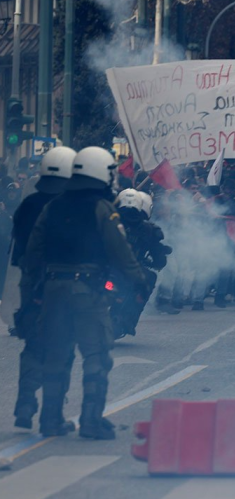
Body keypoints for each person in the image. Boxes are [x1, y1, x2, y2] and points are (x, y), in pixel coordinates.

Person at [22, 147, 150, 439]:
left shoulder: (52, 206)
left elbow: (33, 252)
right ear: (101, 173)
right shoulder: (102, 208)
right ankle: (91, 420)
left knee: (57, 353)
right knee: (96, 354)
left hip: (54, 288)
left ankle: (50, 420)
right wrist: (138, 280)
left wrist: (35, 290)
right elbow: (120, 250)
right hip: (88, 291)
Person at [11, 147, 77, 430]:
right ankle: (52, 415)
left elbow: (17, 250)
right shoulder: (75, 205)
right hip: (63, 283)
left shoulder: (28, 204)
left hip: (30, 281)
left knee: (33, 344)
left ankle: (24, 405)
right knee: (62, 347)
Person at [113, 189, 172, 336]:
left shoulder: (109, 221)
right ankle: (130, 319)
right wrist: (158, 262)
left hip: (108, 267)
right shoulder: (148, 229)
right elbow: (158, 257)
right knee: (149, 279)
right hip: (131, 269)